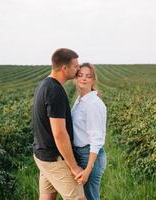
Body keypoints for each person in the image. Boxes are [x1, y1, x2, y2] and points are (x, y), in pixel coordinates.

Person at [32, 48, 86, 200]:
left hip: (42, 156)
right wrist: (74, 167)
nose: (78, 68)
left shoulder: (44, 84)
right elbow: (59, 134)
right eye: (75, 66)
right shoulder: (55, 91)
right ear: (64, 68)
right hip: (55, 160)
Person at [71, 63, 107, 200]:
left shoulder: (93, 104)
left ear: (93, 80)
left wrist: (88, 169)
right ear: (75, 78)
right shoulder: (80, 100)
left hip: (90, 156)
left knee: (91, 197)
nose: (83, 79)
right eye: (80, 75)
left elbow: (96, 139)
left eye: (88, 76)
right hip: (81, 153)